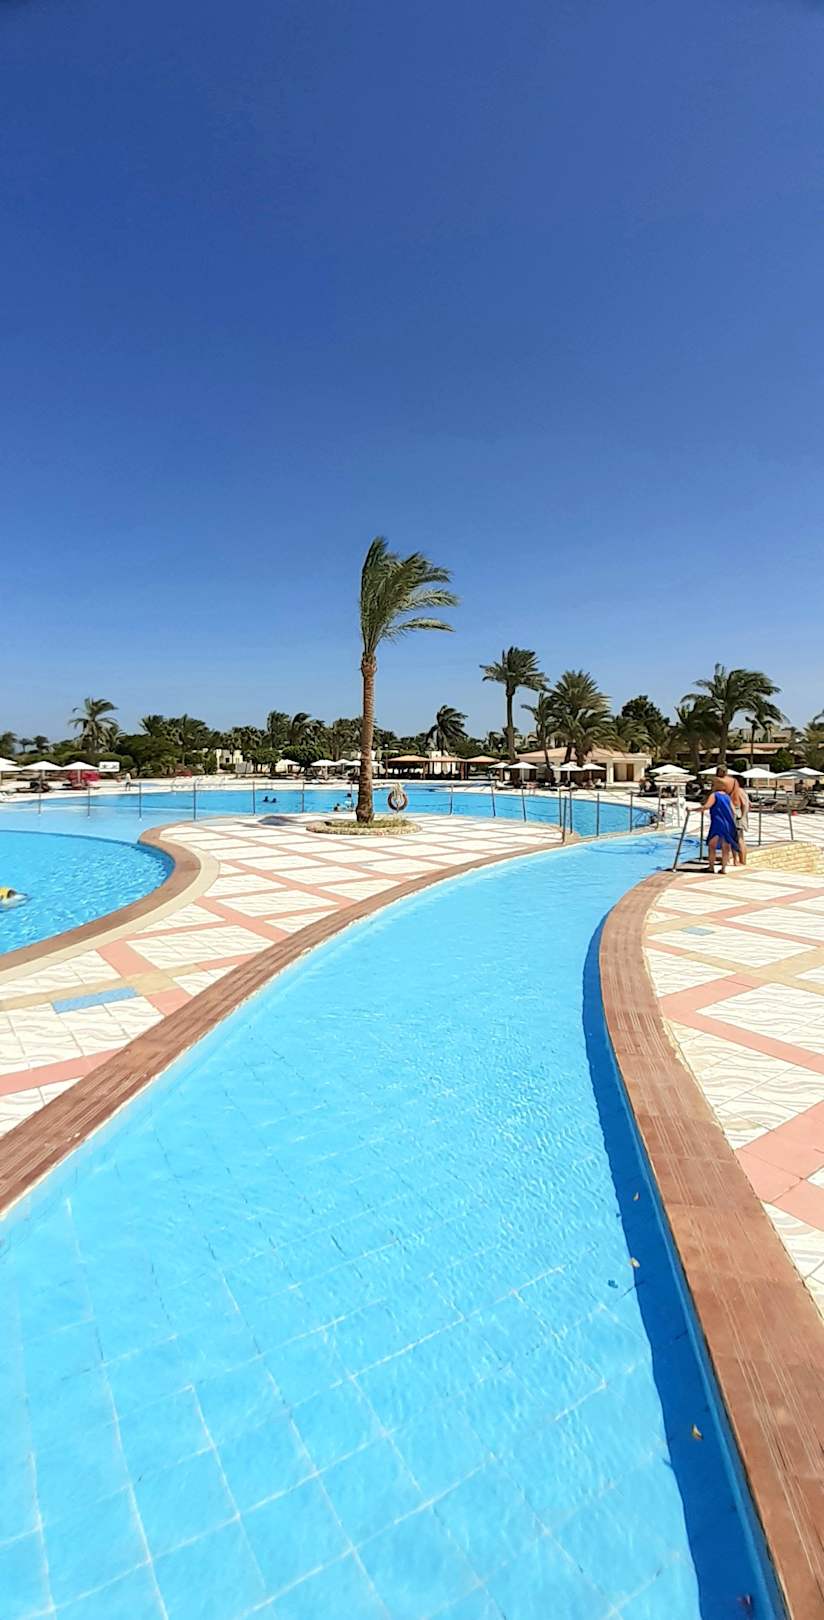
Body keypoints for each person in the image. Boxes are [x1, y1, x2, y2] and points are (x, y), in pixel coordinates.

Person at [703, 776, 739, 874]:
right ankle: (723, 868)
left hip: (717, 822)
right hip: (728, 823)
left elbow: (707, 806)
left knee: (712, 845)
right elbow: (733, 811)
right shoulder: (727, 797)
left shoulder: (714, 795)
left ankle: (711, 867)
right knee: (725, 846)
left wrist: (694, 809)